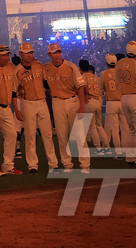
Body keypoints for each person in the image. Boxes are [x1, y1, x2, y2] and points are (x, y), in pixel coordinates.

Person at [13, 42, 58, 174]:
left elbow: (45, 82)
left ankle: (53, 163)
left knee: (47, 134)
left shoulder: (39, 66)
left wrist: (53, 95)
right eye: (26, 53)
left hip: (42, 101)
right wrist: (16, 109)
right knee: (30, 135)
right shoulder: (17, 71)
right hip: (27, 102)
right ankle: (32, 165)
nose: (29, 55)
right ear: (21, 54)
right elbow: (13, 91)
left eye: (31, 52)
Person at [44, 42, 88, 173]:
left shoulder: (70, 66)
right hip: (57, 101)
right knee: (62, 135)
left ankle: (85, 164)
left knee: (79, 134)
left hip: (72, 100)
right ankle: (67, 164)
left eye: (58, 52)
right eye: (54, 52)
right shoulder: (46, 68)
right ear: (49, 54)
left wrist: (81, 107)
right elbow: (44, 85)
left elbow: (80, 87)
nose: (57, 55)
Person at [0, 44, 21, 175]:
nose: (6, 57)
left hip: (7, 106)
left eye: (7, 55)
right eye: (3, 55)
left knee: (12, 135)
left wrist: (16, 109)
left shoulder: (11, 67)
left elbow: (14, 89)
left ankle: (8, 165)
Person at [78, 59, 109, 153]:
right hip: (97, 101)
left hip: (89, 101)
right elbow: (100, 90)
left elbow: (82, 88)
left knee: (92, 126)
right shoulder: (96, 77)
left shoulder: (82, 76)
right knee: (99, 125)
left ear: (80, 67)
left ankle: (98, 147)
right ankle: (106, 145)